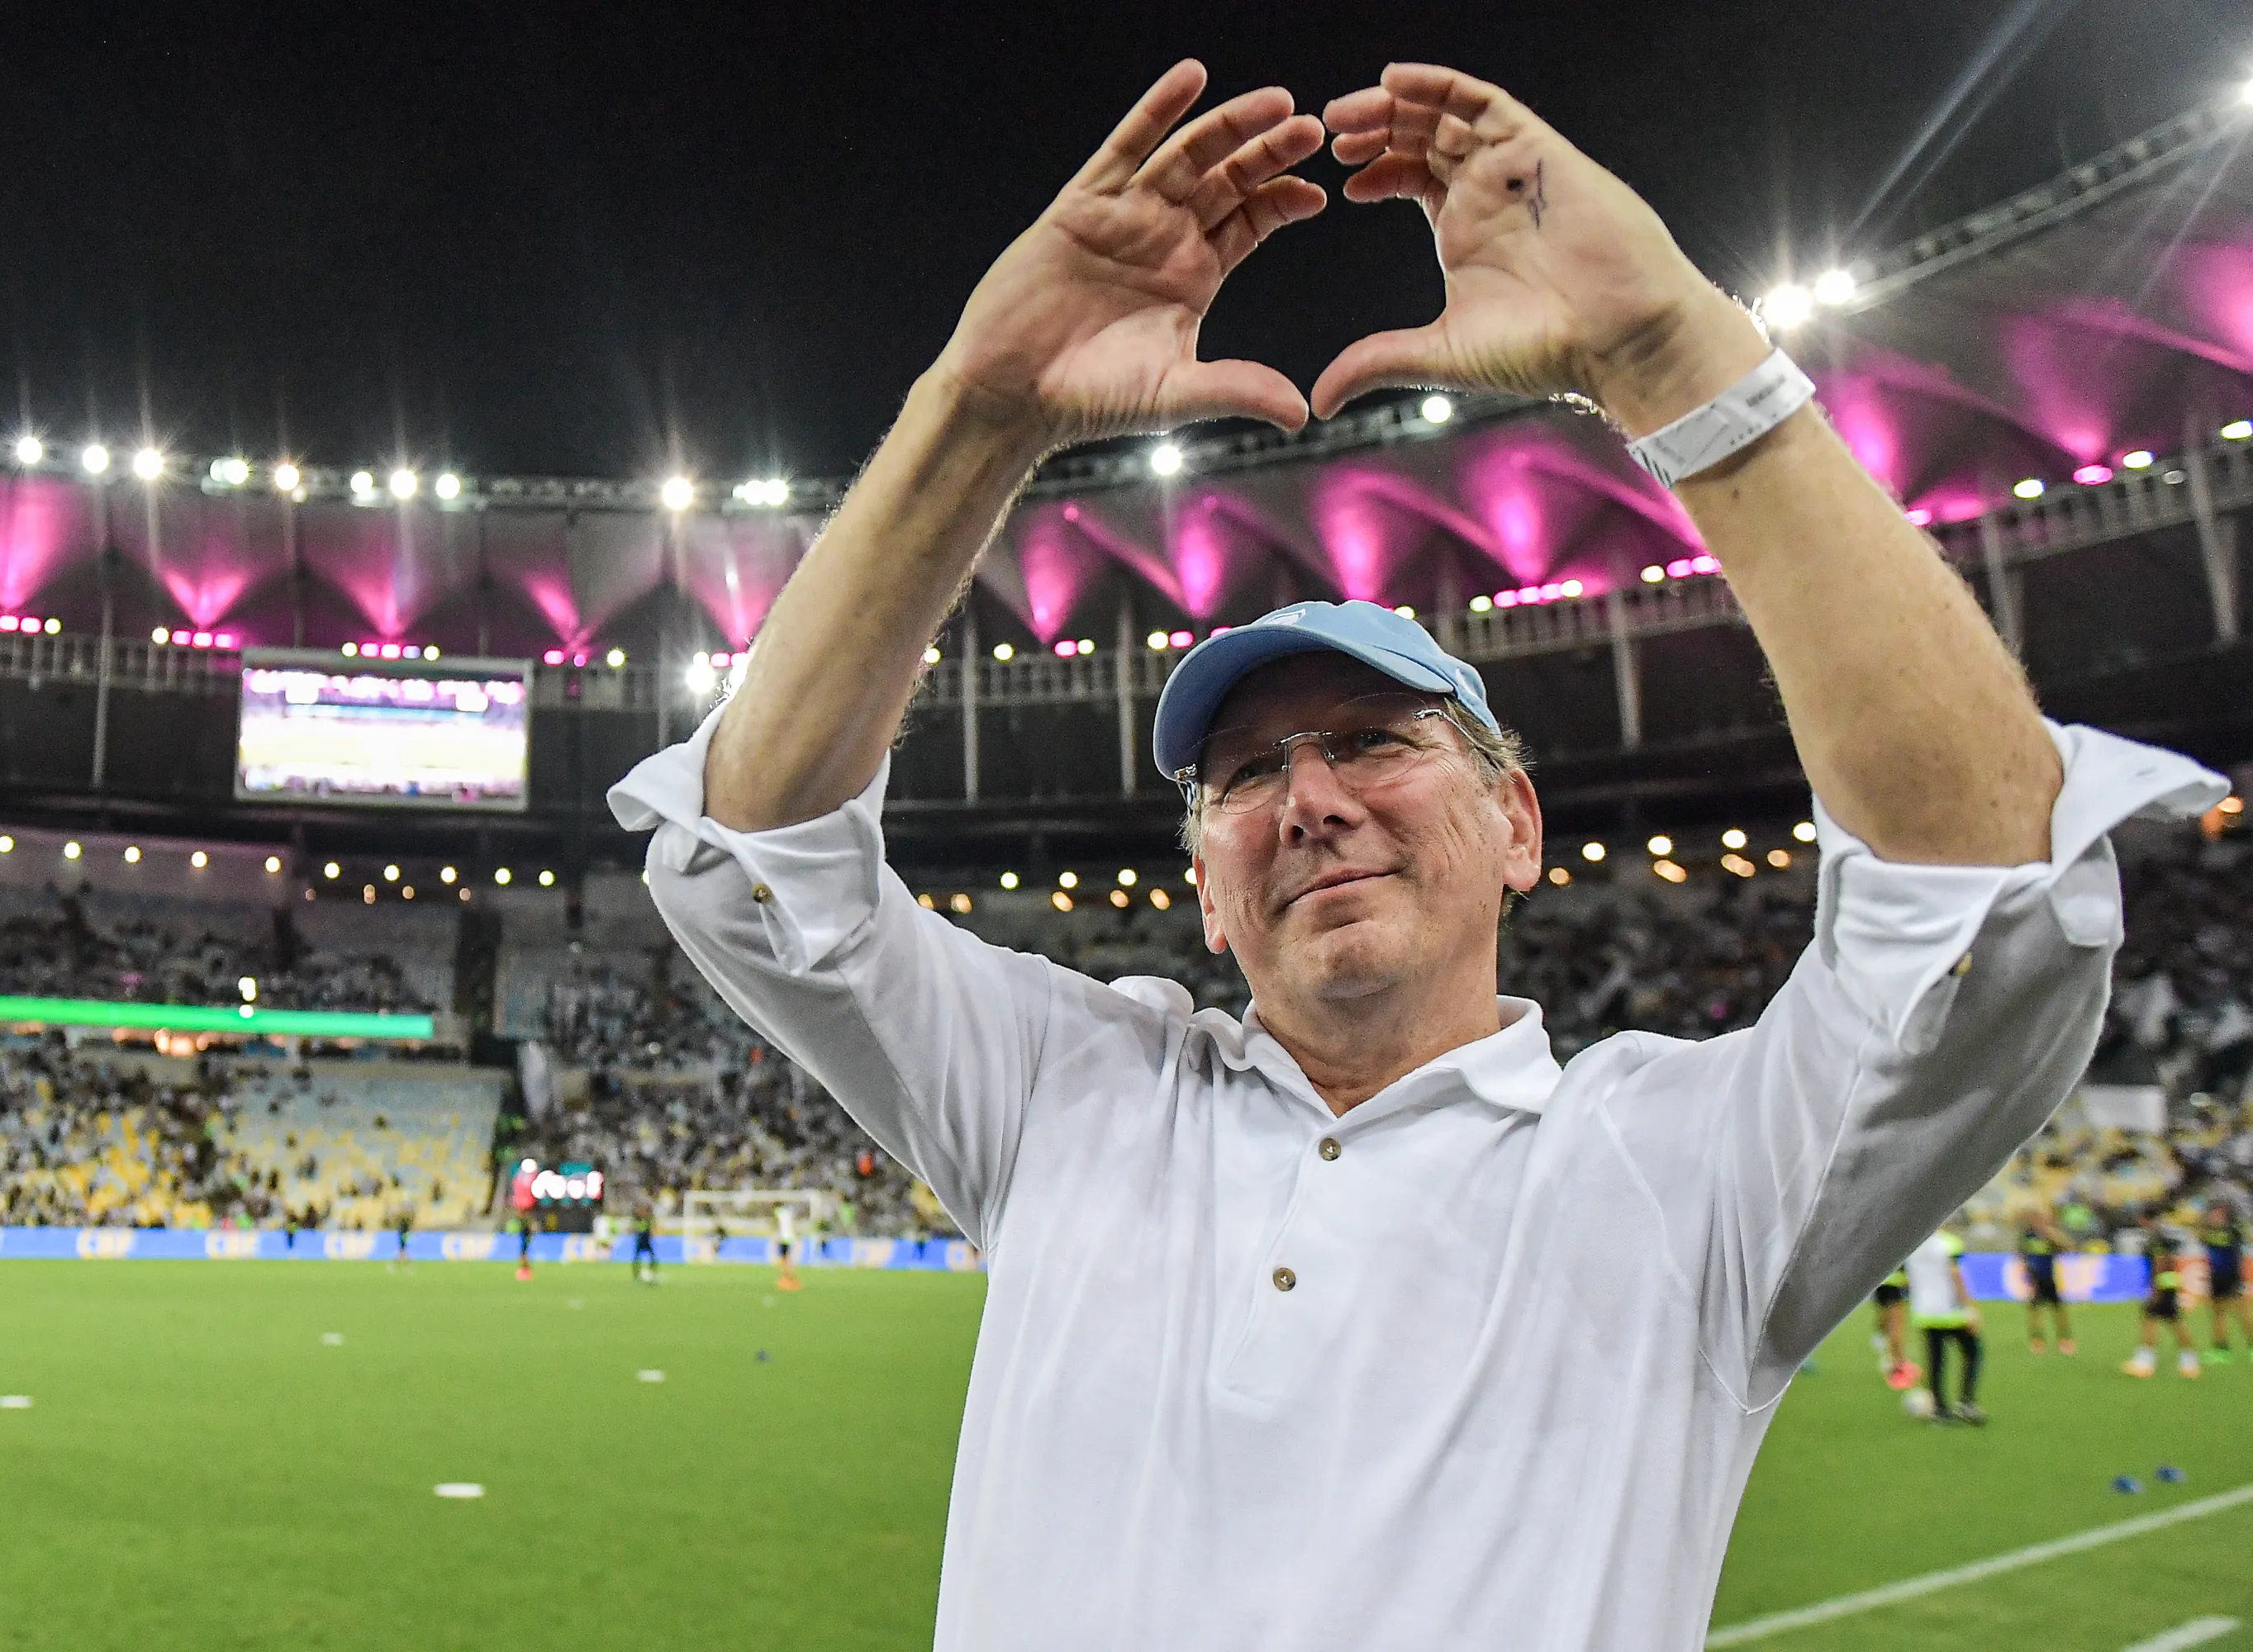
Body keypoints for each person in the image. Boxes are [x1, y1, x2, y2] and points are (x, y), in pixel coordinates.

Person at [608, 58, 2223, 1650]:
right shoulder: (1067, 1098)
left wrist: (1677, 358)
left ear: (1518, 823)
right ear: (1208, 898)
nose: (1308, 798)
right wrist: (978, 413)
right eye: (1245, 772)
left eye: (1375, 741)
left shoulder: (1690, 1169)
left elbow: (1988, 904)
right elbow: (752, 859)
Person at [1904, 1227, 1984, 1424]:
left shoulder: (1912, 1245)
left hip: (1925, 1311)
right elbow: (1955, 1274)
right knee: (1973, 1352)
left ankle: (1939, 1408)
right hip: (1951, 1311)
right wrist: (1969, 1308)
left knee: (1936, 1360)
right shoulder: (1949, 1242)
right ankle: (1966, 1402)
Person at [2127, 1224, 2200, 1378]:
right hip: (2169, 1287)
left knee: (2153, 1322)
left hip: (2163, 1288)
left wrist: (2156, 1291)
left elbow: (2160, 1266)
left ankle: (2145, 1363)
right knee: (2173, 1323)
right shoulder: (2164, 1245)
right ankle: (2189, 1362)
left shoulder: (2157, 1246)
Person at [2019, 1209, 2075, 1355]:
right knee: (2035, 1311)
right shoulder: (2028, 1236)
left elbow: (2068, 1247)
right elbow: (2022, 1255)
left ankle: (2064, 1339)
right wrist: (2026, 1275)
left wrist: (2052, 1235)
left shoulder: (2050, 1236)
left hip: (2049, 1278)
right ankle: (2037, 1341)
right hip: (2035, 1279)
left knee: (2058, 1310)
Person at [2200, 1197, 2248, 1363]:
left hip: (2232, 1278)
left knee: (2241, 1314)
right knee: (2217, 1314)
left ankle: (2251, 1346)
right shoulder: (2208, 1233)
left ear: (2224, 1215)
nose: (2212, 1216)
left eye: (2216, 1214)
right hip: (2216, 1278)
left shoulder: (2233, 1232)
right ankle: (2221, 1349)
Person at [1870, 1265, 1918, 1389]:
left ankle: (1898, 1363)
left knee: (1890, 1322)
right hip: (1893, 1284)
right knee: (1896, 1327)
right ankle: (1898, 1369)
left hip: (1884, 1284)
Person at [775, 1202, 805, 1292]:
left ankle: (787, 1278)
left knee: (784, 1259)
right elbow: (792, 1224)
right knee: (787, 1259)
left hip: (783, 1238)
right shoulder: (788, 1213)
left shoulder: (778, 1212)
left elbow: (777, 1224)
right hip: (790, 1237)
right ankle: (788, 1278)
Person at [630, 1204, 658, 1284]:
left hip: (647, 1241)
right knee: (636, 1259)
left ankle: (652, 1273)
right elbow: (634, 1228)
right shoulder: (637, 1220)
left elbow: (652, 1229)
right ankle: (636, 1275)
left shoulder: (648, 1220)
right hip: (640, 1241)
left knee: (653, 1258)